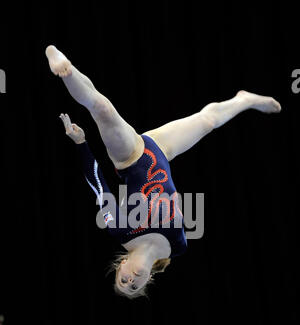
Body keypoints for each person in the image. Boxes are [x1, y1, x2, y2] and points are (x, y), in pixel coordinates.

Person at [46, 45, 281, 298]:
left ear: (121, 265)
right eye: (134, 287)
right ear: (148, 281)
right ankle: (243, 99)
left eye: (122, 280)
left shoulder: (121, 231)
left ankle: (65, 69)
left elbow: (99, 186)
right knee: (208, 121)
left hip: (131, 157)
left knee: (103, 109)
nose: (130, 280)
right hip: (161, 150)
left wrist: (81, 144)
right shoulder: (178, 247)